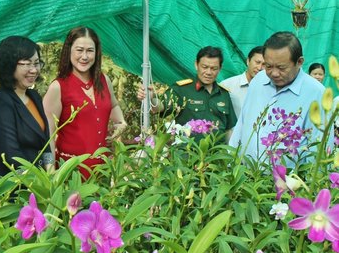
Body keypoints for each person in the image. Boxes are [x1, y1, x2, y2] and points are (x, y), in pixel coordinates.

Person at [229, 31, 329, 161]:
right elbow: (242, 124)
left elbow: (319, 148)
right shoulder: (258, 80)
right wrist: (231, 163)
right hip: (246, 175)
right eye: (268, 66)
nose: (274, 73)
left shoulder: (316, 93)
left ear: (299, 62)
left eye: (282, 67)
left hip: (287, 180)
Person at [43, 26, 126, 179]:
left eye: (90, 50)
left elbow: (113, 105)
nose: (85, 56)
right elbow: (46, 137)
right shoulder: (58, 87)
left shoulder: (103, 80)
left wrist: (121, 122)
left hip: (103, 170)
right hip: (71, 172)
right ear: (69, 51)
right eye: (79, 50)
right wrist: (50, 174)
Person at [0, 36, 53, 178]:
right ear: (9, 65)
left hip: (40, 183)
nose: (34, 70)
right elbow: (12, 157)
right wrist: (36, 184)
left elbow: (45, 143)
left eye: (37, 63)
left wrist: (52, 175)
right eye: (27, 64)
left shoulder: (34, 96)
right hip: (14, 188)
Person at [139, 46, 236, 143]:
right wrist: (151, 99)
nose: (209, 72)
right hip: (188, 155)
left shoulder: (224, 94)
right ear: (196, 65)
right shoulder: (182, 89)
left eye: (214, 68)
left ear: (220, 68)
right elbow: (160, 107)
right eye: (204, 67)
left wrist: (230, 154)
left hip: (217, 155)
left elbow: (228, 129)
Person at [220, 46, 264, 118]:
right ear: (248, 61)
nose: (259, 68)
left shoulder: (270, 89)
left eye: (264, 64)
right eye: (257, 62)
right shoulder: (227, 85)